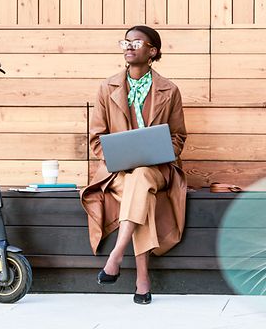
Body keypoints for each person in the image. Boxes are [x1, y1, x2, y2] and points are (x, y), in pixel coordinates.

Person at [80, 25, 187, 305]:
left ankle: (116, 255)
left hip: (158, 170)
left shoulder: (170, 90)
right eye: (125, 42)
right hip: (117, 172)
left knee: (142, 176)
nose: (128, 46)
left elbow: (178, 136)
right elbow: (96, 138)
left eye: (137, 43)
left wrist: (162, 153)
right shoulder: (107, 88)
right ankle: (142, 278)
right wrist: (117, 157)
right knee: (140, 191)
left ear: (152, 51)